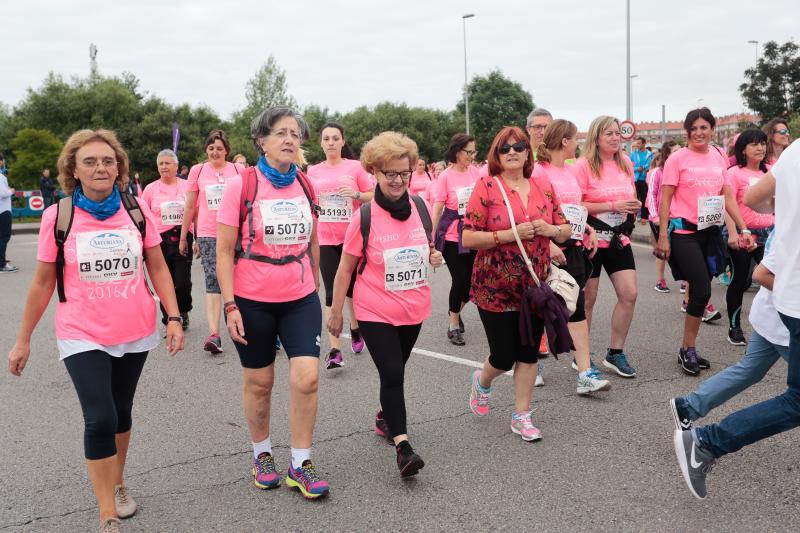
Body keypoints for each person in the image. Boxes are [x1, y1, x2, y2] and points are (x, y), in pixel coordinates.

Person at [7, 129, 185, 532]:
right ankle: (107, 510)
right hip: (81, 331)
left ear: (119, 166)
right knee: (100, 417)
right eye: (90, 161)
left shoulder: (136, 210)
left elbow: (157, 266)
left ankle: (118, 482)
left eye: (108, 160)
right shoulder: (60, 214)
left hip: (135, 327)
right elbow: (41, 282)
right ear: (73, 168)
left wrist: (173, 317)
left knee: (121, 411)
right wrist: (23, 339)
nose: (101, 167)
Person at [673, 138, 800, 500]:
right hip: (785, 307)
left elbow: (754, 197)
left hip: (785, 307)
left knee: (752, 370)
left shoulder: (792, 154)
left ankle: (691, 410)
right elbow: (761, 272)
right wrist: (743, 228)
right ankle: (706, 440)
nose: (762, 149)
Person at [216, 106, 329, 500]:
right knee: (260, 382)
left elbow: (313, 237)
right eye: (280, 133)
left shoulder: (306, 184)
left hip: (299, 298)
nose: (289, 140)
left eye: (295, 134)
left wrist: (314, 278)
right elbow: (224, 250)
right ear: (261, 141)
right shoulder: (240, 186)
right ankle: (262, 454)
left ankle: (301, 463)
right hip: (251, 300)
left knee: (307, 378)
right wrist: (230, 305)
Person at [327, 131, 443, 476]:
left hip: (413, 308)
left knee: (397, 369)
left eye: (403, 173)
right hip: (374, 308)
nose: (396, 180)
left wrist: (433, 256)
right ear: (374, 173)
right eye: (388, 173)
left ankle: (384, 415)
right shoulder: (363, 217)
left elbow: (427, 248)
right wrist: (335, 312)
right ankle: (403, 447)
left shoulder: (421, 207)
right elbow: (345, 269)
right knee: (392, 371)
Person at [463, 126, 570, 441]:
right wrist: (510, 234)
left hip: (533, 286)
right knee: (503, 355)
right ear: (496, 155)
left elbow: (565, 229)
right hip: (493, 285)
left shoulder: (542, 186)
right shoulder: (486, 186)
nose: (512, 152)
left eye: (519, 146)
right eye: (505, 148)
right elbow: (467, 237)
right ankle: (482, 381)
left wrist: (550, 231)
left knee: (528, 354)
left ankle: (521, 416)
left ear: (528, 153)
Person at [655, 108, 753, 376]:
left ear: (712, 129)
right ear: (688, 131)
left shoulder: (718, 157)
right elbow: (665, 200)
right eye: (694, 128)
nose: (699, 133)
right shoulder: (678, 159)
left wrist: (743, 228)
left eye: (704, 128)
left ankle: (688, 347)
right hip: (683, 233)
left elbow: (728, 196)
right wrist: (663, 235)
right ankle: (688, 349)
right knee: (701, 289)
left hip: (710, 234)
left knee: (703, 288)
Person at [670, 231, 787, 432]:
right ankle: (713, 440)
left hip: (774, 318)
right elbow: (761, 274)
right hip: (784, 322)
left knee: (749, 370)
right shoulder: (792, 225)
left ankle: (688, 407)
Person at [533, 119, 609, 394]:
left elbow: (573, 208)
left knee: (574, 306)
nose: (578, 144)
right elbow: (532, 211)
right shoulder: (538, 173)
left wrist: (586, 228)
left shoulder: (568, 172)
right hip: (547, 249)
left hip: (572, 246)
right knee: (542, 310)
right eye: (575, 139)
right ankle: (534, 365)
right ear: (564, 141)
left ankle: (584, 372)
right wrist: (546, 243)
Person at [573, 116, 640, 378]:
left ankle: (615, 352)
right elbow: (575, 204)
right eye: (608, 133)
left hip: (617, 238)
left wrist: (633, 205)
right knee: (588, 299)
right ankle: (582, 355)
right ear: (596, 137)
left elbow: (631, 195)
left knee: (629, 294)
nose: (615, 138)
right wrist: (612, 206)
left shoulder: (625, 163)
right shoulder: (583, 166)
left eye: (617, 133)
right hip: (591, 240)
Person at [307, 122, 374, 369]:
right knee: (330, 292)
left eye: (336, 138)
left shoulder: (355, 167)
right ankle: (335, 349)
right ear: (321, 143)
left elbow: (373, 195)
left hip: (352, 237)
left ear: (343, 141)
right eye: (327, 138)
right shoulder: (312, 171)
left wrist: (356, 195)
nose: (331, 142)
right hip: (325, 237)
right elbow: (309, 202)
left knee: (351, 290)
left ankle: (356, 329)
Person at [179, 129, 243, 355]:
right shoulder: (197, 171)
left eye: (219, 148)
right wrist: (185, 235)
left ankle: (244, 327)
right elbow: (190, 206)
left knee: (240, 279)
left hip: (235, 232)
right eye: (211, 148)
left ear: (227, 150)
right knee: (213, 280)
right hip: (208, 232)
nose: (215, 152)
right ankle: (214, 334)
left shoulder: (238, 170)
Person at [724, 129, 773, 346]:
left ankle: (775, 326)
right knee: (740, 279)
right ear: (743, 149)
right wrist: (736, 232)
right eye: (754, 144)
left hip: (770, 234)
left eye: (762, 143)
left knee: (773, 278)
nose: (760, 148)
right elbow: (727, 203)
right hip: (744, 234)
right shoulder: (733, 173)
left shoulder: (771, 171)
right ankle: (734, 327)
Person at [432, 134, 480, 346]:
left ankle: (454, 310)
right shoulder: (446, 177)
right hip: (452, 235)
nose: (472, 156)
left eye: (473, 152)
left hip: (473, 233)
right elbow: (437, 209)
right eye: (468, 152)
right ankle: (453, 325)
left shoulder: (476, 173)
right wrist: (431, 239)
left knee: (472, 284)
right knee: (460, 280)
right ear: (457, 151)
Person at [141, 149, 193, 329]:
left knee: (182, 282)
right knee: (164, 281)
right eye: (161, 164)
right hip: (158, 240)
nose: (164, 167)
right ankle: (170, 317)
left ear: (176, 166)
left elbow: (195, 211)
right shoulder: (150, 189)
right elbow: (142, 217)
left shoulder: (187, 186)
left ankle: (183, 310)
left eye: (167, 163)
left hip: (182, 236)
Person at [648, 141, 679, 293]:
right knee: (663, 250)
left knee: (681, 251)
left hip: (678, 218)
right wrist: (655, 217)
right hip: (660, 217)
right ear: (667, 154)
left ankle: (685, 282)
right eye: (675, 151)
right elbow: (652, 195)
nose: (679, 154)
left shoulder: (681, 170)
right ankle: (660, 280)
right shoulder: (657, 172)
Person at [631, 136, 653, 222]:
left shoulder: (650, 154)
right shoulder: (633, 154)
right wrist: (637, 169)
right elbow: (630, 167)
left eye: (639, 143)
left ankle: (644, 217)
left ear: (644, 143)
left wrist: (644, 167)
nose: (638, 145)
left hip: (645, 180)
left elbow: (650, 164)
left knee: (644, 199)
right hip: (635, 180)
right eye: (637, 143)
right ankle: (633, 216)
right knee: (635, 199)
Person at [0, 166, 17, 272]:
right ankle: (2, 264)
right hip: (4, 210)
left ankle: (2, 261)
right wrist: (11, 190)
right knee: (4, 238)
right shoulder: (1, 177)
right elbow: (3, 193)